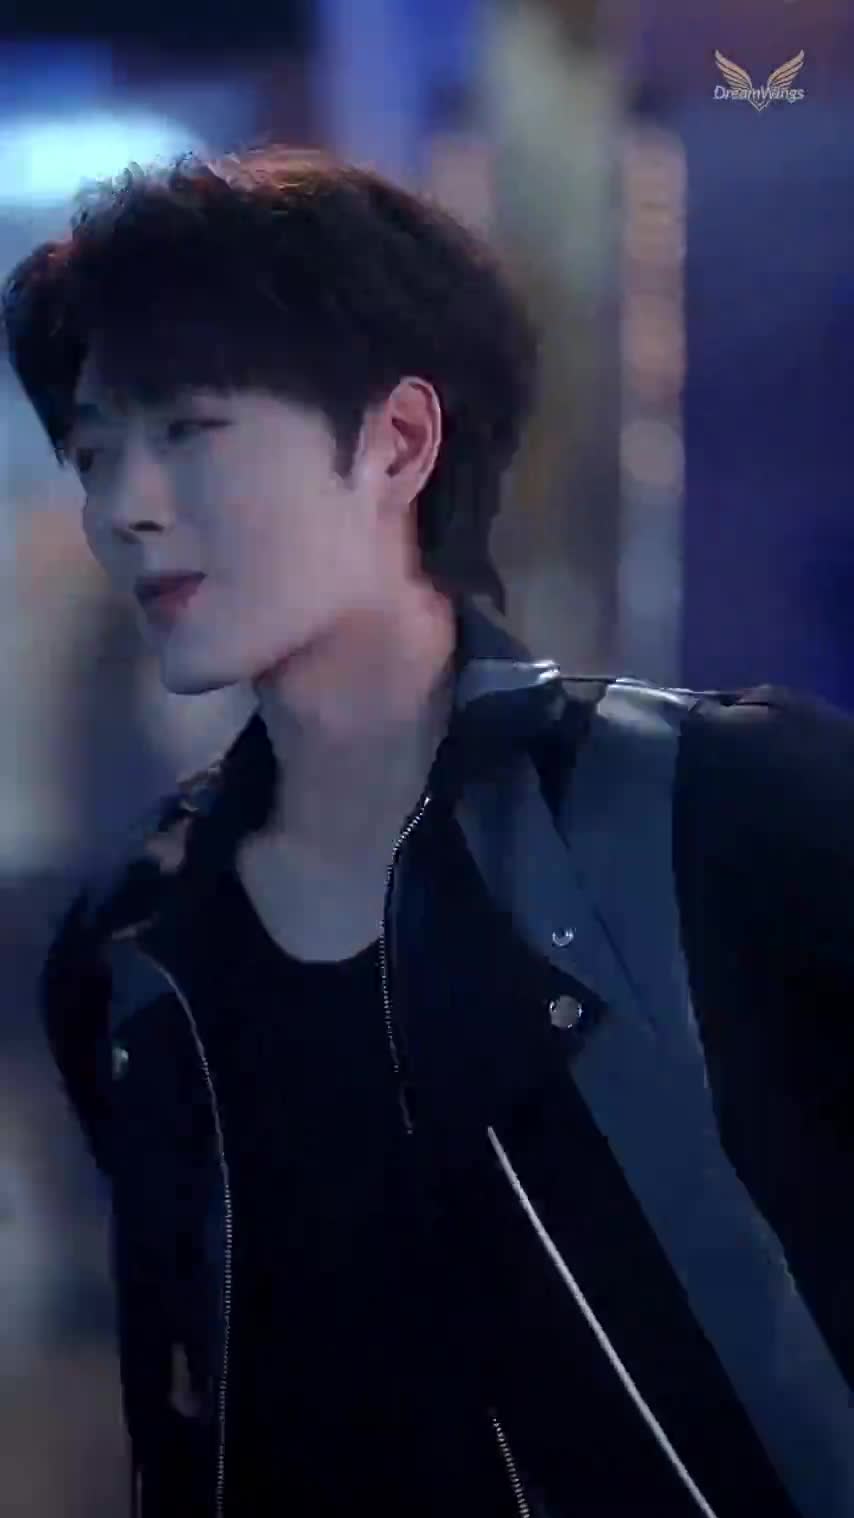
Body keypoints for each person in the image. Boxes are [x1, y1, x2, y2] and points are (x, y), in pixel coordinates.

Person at [3, 146, 852, 1518]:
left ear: (399, 441)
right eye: (95, 453)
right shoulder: (132, 951)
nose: (123, 506)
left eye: (189, 431)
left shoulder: (711, 804)